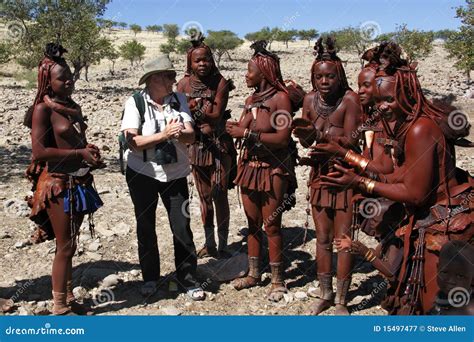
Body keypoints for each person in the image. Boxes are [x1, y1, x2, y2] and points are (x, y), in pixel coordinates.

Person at [321, 42, 474, 314]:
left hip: (447, 221)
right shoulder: (404, 125)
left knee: (438, 305)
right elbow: (391, 171)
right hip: (429, 217)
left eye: (388, 99)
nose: (381, 107)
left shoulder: (419, 129)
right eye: (378, 101)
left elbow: (414, 193)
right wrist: (347, 159)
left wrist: (359, 182)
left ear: (407, 93)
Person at [27, 43, 104, 315]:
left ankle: (68, 297)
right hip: (57, 184)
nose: (69, 81)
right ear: (49, 80)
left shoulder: (72, 106)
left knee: (72, 242)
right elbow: (39, 152)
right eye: (63, 77)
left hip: (79, 180)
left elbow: (76, 140)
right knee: (65, 245)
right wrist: (79, 152)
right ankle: (59, 305)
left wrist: (88, 153)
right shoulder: (42, 110)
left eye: (71, 75)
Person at [120, 55, 205, 301]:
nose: (173, 80)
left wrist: (180, 134)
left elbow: (191, 136)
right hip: (142, 173)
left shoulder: (179, 100)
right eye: (169, 76)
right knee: (146, 225)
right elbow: (133, 142)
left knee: (181, 226)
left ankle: (188, 278)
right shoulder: (135, 103)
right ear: (155, 79)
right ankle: (150, 278)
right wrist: (165, 134)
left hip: (176, 173)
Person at [292, 37, 362, 315]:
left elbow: (352, 141)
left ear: (340, 75)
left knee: (343, 238)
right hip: (320, 174)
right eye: (319, 76)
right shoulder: (309, 99)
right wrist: (306, 137)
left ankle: (343, 300)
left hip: (345, 175)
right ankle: (325, 293)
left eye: (330, 76)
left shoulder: (350, 100)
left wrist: (319, 135)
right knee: (322, 237)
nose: (324, 81)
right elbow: (309, 142)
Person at [226, 41, 297, 302]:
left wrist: (245, 132)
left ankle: (278, 280)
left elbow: (281, 138)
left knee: (272, 225)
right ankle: (255, 274)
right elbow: (244, 125)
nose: (246, 74)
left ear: (264, 72)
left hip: (273, 170)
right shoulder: (250, 99)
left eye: (249, 70)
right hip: (249, 168)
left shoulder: (281, 99)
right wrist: (233, 126)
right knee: (252, 224)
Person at [176, 33, 236, 259]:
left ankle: (223, 245)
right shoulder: (183, 84)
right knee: (203, 197)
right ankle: (209, 243)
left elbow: (216, 114)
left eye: (207, 59)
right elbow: (178, 115)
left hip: (219, 147)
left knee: (219, 194)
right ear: (190, 63)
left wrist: (193, 109)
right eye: (198, 60)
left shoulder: (220, 82)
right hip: (195, 148)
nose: (203, 64)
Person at [428, 240, 473, 315]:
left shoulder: (469, 312)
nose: (451, 281)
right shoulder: (438, 304)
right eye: (445, 272)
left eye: (460, 276)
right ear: (437, 268)